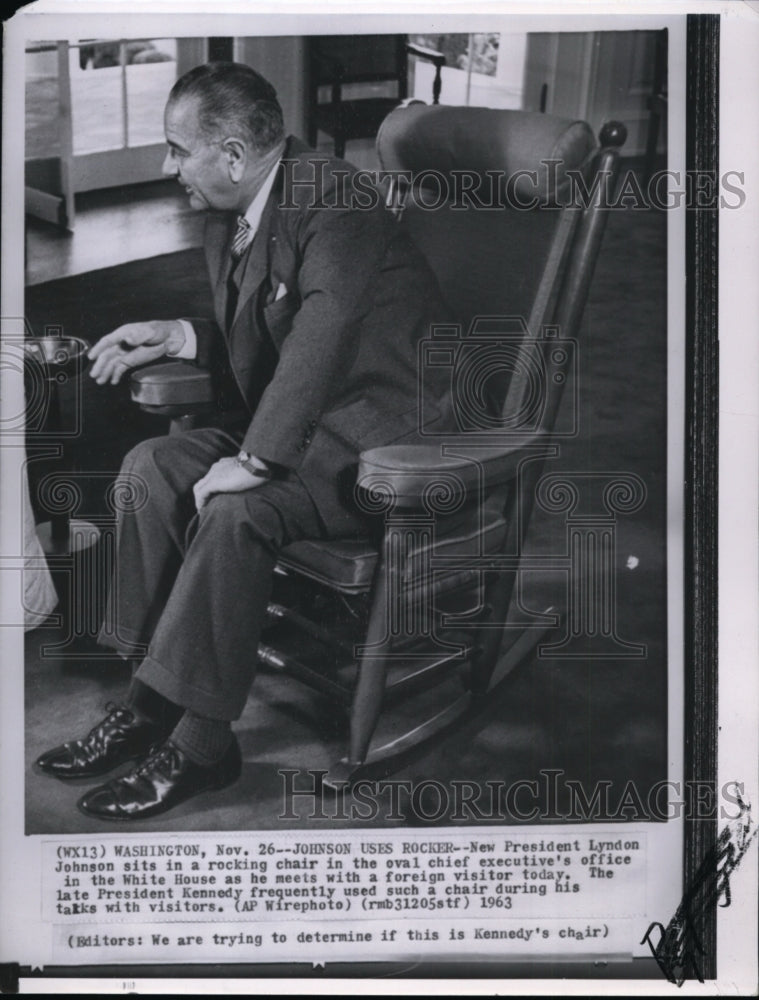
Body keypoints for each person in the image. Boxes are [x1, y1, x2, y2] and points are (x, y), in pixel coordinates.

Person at [35, 62, 451, 821]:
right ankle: (147, 700)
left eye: (175, 150)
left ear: (230, 153)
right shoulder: (237, 206)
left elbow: (319, 336)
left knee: (237, 511)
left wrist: (253, 461)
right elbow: (268, 334)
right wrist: (178, 333)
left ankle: (201, 746)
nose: (167, 168)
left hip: (383, 441)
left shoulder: (337, 200)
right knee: (151, 466)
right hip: (311, 417)